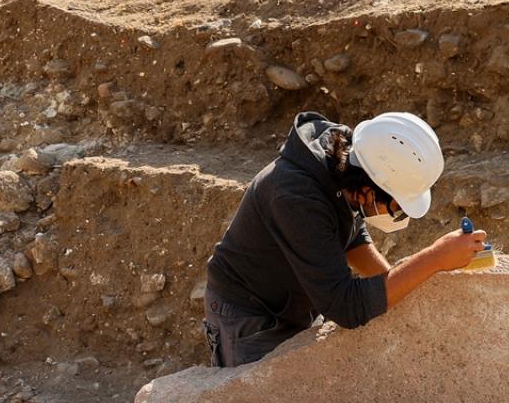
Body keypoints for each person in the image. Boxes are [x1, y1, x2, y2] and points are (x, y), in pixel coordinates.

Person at [203, 111, 488, 367]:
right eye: (397, 208)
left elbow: (350, 232)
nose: (399, 216)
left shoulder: (349, 163)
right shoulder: (295, 197)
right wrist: (435, 257)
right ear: (368, 192)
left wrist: (396, 286)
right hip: (248, 314)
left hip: (295, 298)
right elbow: (344, 306)